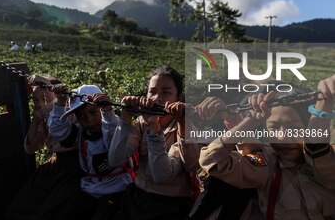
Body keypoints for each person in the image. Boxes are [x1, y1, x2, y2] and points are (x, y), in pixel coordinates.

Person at [199, 75, 335, 219]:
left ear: (309, 126)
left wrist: (324, 104)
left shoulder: (327, 162)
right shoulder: (268, 165)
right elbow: (211, 160)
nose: (282, 137)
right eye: (274, 127)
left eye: (294, 128)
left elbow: (317, 152)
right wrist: (250, 121)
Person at [109, 66, 201, 220]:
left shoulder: (184, 129)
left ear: (179, 98)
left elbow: (162, 175)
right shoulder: (140, 123)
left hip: (171, 207)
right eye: (152, 91)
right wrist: (125, 118)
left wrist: (154, 127)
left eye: (166, 92)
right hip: (137, 199)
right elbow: (115, 159)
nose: (157, 98)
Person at [48, 84, 132, 220]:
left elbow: (114, 141)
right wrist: (60, 104)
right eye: (81, 116)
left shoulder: (114, 126)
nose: (88, 119)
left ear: (102, 110)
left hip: (119, 187)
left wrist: (108, 112)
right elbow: (58, 132)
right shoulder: (80, 134)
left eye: (93, 112)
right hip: (91, 187)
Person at [6, 75, 84, 220]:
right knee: (23, 204)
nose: (40, 104)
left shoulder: (68, 114)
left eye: (44, 98)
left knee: (53, 207)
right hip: (54, 166)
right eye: (36, 100)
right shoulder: (42, 119)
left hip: (72, 166)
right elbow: (30, 149)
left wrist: (46, 84)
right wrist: (35, 122)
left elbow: (56, 114)